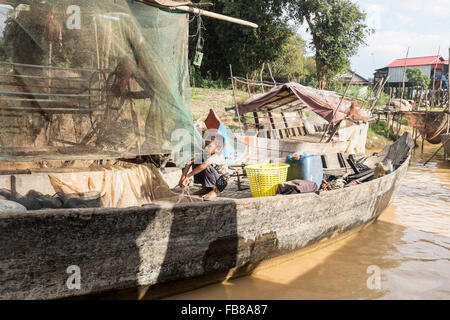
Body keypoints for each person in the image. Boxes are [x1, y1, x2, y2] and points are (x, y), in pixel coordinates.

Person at [178, 135, 230, 200]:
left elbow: (203, 166)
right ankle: (205, 188)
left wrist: (188, 176)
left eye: (209, 146)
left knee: (204, 167)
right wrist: (183, 177)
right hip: (214, 179)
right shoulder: (206, 154)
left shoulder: (217, 155)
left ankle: (216, 191)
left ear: (218, 148)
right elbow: (189, 162)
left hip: (221, 182)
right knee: (196, 164)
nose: (205, 147)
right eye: (205, 144)